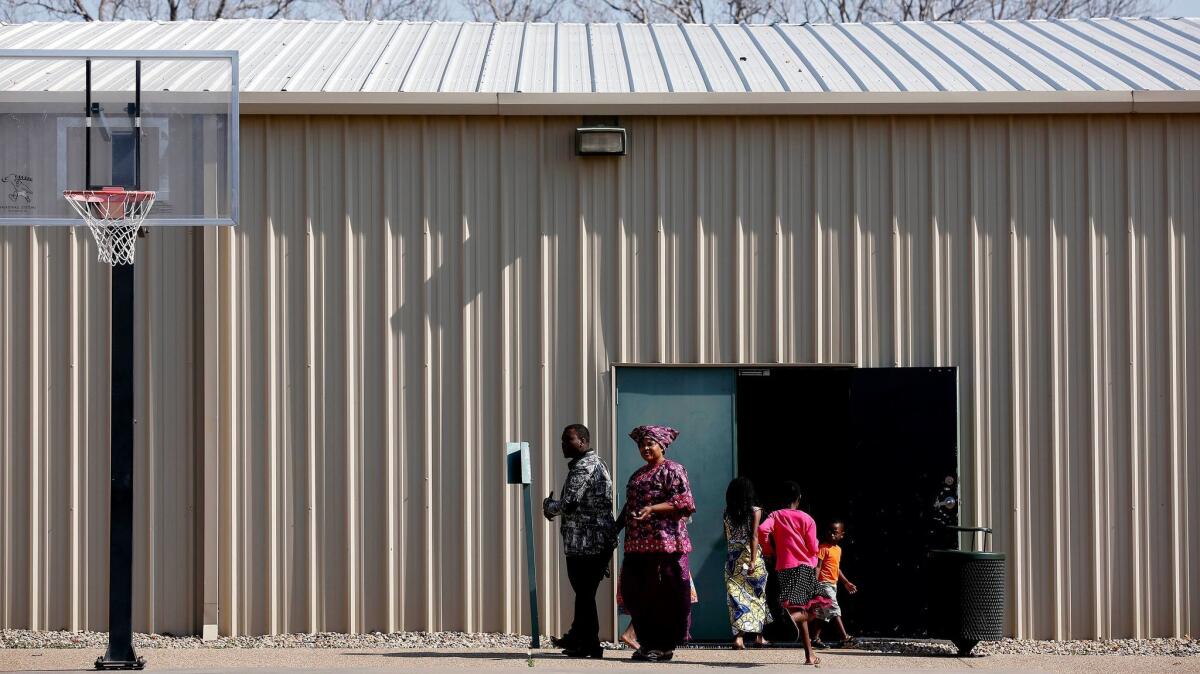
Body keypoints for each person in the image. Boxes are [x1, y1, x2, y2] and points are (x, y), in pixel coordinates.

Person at [617, 424, 696, 663]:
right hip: (637, 546)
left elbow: (684, 503)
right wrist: (616, 526)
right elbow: (630, 507)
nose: (645, 448)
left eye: (650, 443)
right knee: (635, 593)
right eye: (641, 444)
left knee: (666, 596)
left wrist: (653, 508)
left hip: (666, 545)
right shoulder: (638, 474)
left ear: (662, 445)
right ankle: (647, 643)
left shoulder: (673, 469)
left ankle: (663, 646)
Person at [542, 424, 615, 659]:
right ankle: (578, 637)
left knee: (584, 592)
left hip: (587, 543)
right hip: (591, 541)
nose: (563, 444)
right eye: (563, 440)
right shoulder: (595, 463)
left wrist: (549, 507)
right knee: (585, 592)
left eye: (568, 440)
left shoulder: (585, 466)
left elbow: (570, 503)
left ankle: (590, 644)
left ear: (582, 441)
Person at [758, 481, 833, 667]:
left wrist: (768, 550)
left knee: (803, 606)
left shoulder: (775, 515)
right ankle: (788, 619)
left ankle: (809, 655)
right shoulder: (807, 519)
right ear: (798, 499)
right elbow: (813, 546)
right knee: (817, 607)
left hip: (783, 567)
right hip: (805, 566)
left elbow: (761, 530)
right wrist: (813, 548)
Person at [723, 477, 771, 649]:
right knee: (758, 595)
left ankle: (739, 638)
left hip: (732, 559)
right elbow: (754, 536)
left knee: (736, 598)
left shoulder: (727, 512)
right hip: (751, 557)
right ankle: (759, 637)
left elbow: (727, 537)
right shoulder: (755, 510)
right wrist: (752, 560)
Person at [812, 521, 859, 648]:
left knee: (822, 614)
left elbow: (837, 568)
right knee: (834, 609)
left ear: (842, 535)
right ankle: (845, 638)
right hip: (823, 584)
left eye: (835, 532)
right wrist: (815, 583)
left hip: (833, 585)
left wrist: (846, 582)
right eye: (829, 531)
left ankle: (815, 639)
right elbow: (818, 567)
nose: (831, 534)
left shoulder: (838, 550)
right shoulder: (823, 548)